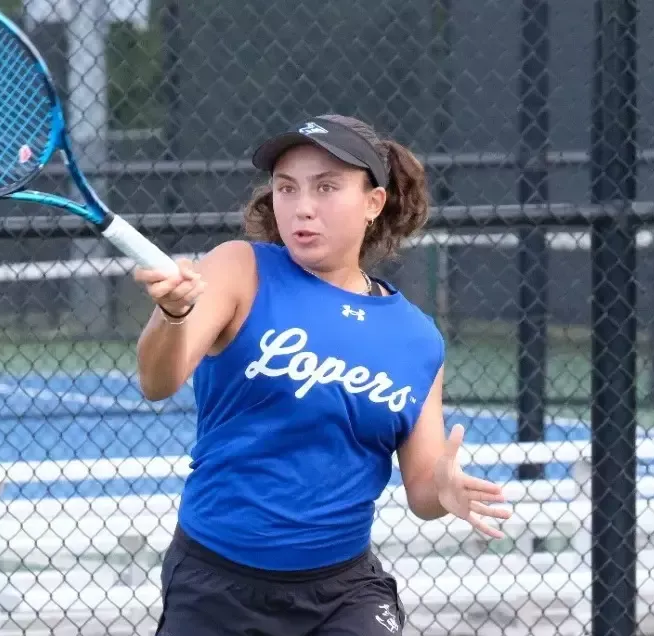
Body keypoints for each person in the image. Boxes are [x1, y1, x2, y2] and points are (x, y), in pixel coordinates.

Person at [133, 114, 512, 636]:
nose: (302, 207)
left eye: (326, 187)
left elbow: (422, 491)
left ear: (373, 203)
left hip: (343, 593)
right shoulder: (239, 268)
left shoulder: (417, 339)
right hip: (217, 583)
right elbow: (158, 381)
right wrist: (172, 314)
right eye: (286, 188)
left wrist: (444, 490)